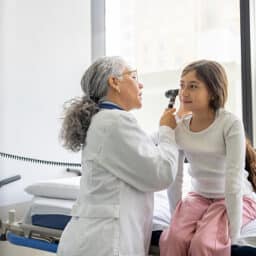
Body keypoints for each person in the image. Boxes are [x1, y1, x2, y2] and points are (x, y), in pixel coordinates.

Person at [57, 56, 178, 256]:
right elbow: (162, 174)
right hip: (104, 244)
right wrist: (167, 132)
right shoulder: (115, 122)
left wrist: (165, 130)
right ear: (114, 82)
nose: (140, 84)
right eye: (133, 76)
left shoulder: (103, 120)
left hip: (89, 240)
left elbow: (138, 147)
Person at [159, 60, 256, 256]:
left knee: (205, 243)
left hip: (234, 197)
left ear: (212, 91)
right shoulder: (180, 126)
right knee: (173, 239)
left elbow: (233, 179)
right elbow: (175, 176)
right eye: (182, 85)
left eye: (193, 86)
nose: (184, 93)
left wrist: (234, 233)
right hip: (199, 196)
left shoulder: (229, 124)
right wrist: (176, 215)